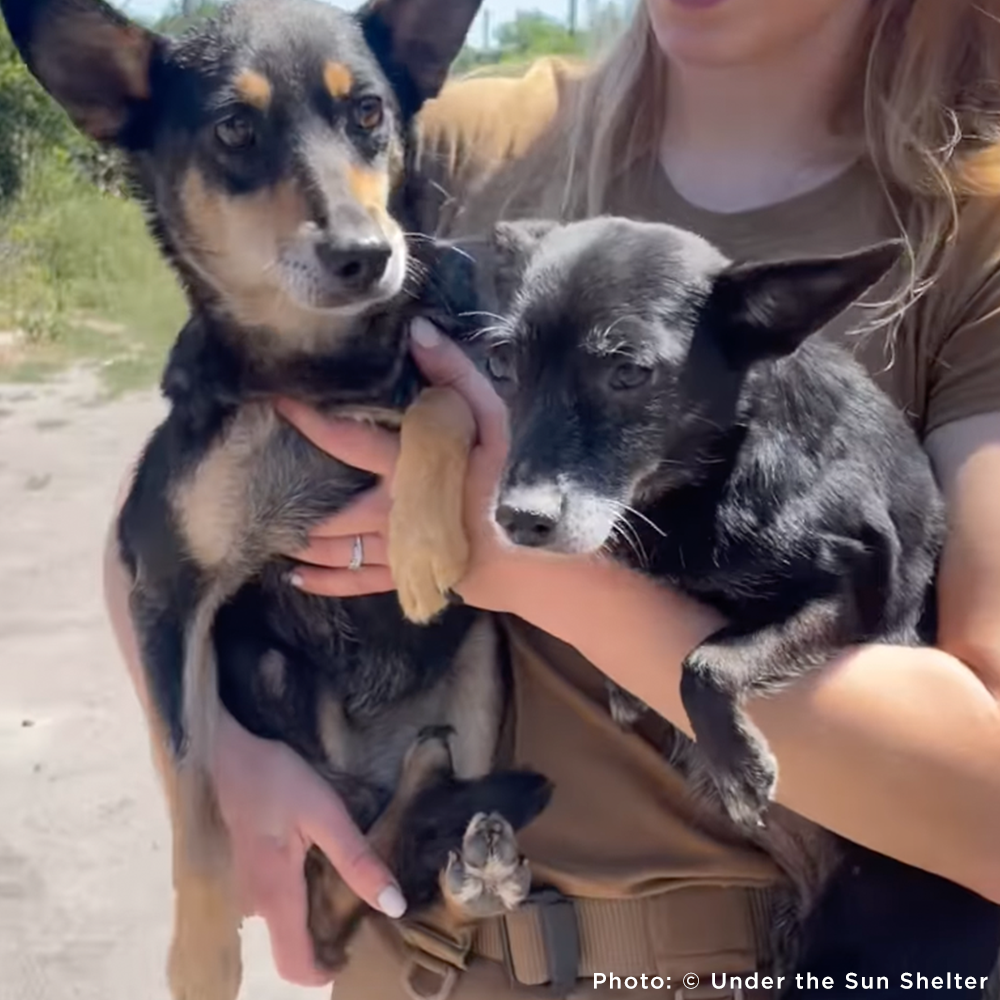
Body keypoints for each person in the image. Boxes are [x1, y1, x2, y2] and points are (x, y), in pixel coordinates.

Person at [104, 0, 1000, 996]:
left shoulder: (970, 227)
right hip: (417, 966)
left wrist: (536, 563)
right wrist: (223, 758)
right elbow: (169, 521)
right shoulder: (442, 142)